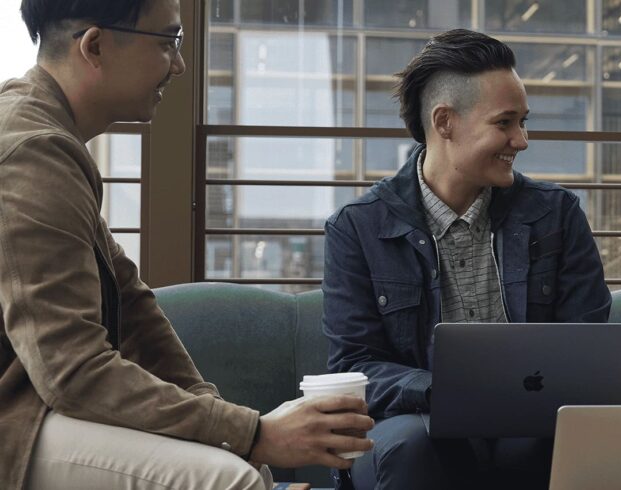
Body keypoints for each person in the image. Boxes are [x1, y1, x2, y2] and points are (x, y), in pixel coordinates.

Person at [0, 0, 375, 488]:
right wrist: (253, 433)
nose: (178, 65)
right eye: (167, 42)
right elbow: (72, 372)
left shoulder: (53, 137)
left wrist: (232, 426)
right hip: (18, 420)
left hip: (38, 404)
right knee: (226, 479)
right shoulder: (32, 151)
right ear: (94, 45)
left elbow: (134, 307)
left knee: (242, 465)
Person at [322, 29, 611, 489]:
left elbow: (589, 345)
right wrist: (446, 392)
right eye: (505, 123)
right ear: (445, 122)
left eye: (523, 122)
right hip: (416, 420)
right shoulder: (357, 228)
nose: (521, 140)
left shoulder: (556, 215)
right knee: (413, 447)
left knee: (561, 440)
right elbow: (354, 365)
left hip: (530, 421)